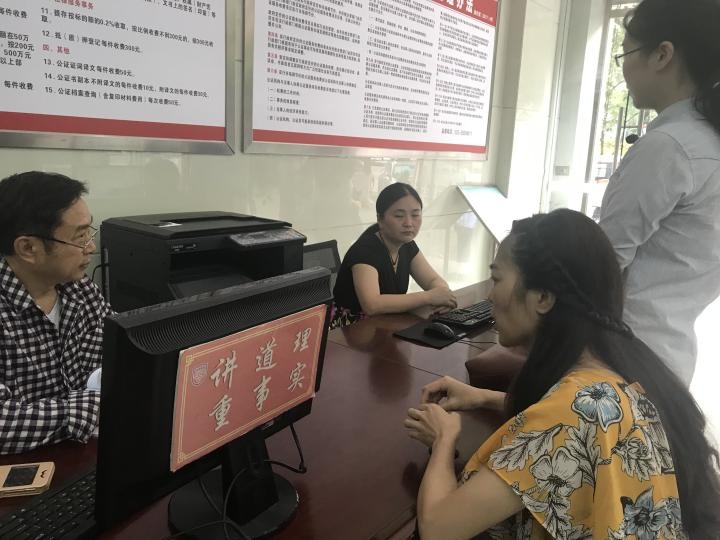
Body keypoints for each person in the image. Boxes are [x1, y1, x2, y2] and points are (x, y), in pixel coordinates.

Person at [404, 209, 720, 539]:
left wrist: (443, 438)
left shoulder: (568, 413)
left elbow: (438, 528)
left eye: (496, 279)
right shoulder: (621, 369)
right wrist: (484, 397)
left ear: (542, 297)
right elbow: (582, 422)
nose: (490, 296)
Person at [599, 0, 720, 386]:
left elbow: (601, 265)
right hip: (666, 357)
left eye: (625, 53)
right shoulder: (707, 139)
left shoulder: (669, 147)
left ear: (662, 55)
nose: (623, 68)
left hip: (625, 357)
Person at [0, 171, 112, 455]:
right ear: (28, 248)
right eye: (80, 237)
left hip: (84, 453)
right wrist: (89, 408)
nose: (91, 247)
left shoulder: (80, 289)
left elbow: (116, 348)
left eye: (89, 232)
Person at [330, 182, 457, 328]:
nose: (409, 223)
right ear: (380, 219)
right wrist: (429, 297)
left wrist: (442, 297)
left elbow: (433, 280)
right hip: (351, 330)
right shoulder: (364, 251)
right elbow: (372, 305)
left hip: (386, 324)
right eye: (399, 216)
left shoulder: (407, 245)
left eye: (415, 215)